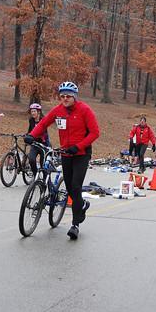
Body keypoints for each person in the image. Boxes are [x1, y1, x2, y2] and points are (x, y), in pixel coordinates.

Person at [25, 81, 100, 240]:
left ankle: (75, 224)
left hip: (81, 153)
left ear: (74, 97)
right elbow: (44, 123)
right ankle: (82, 205)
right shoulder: (58, 111)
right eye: (62, 96)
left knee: (75, 186)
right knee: (69, 188)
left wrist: (78, 146)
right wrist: (32, 135)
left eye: (68, 96)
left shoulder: (84, 110)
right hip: (66, 153)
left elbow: (94, 133)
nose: (65, 99)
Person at [27, 103, 50, 176]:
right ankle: (35, 175)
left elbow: (44, 133)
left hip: (44, 144)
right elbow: (30, 130)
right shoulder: (31, 120)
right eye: (32, 111)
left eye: (34, 111)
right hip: (35, 144)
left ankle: (45, 179)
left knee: (43, 163)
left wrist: (37, 136)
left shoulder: (43, 120)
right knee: (31, 160)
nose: (33, 113)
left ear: (39, 112)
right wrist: (28, 136)